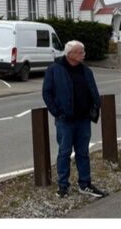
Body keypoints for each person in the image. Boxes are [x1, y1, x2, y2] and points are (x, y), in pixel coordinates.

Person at [42, 40, 107, 198]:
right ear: (70, 54)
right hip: (65, 120)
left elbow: (93, 90)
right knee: (64, 152)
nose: (83, 54)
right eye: (80, 52)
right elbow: (47, 93)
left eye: (83, 51)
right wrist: (57, 112)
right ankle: (63, 186)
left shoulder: (86, 70)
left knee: (83, 153)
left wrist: (95, 107)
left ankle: (85, 184)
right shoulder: (55, 69)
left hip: (83, 119)